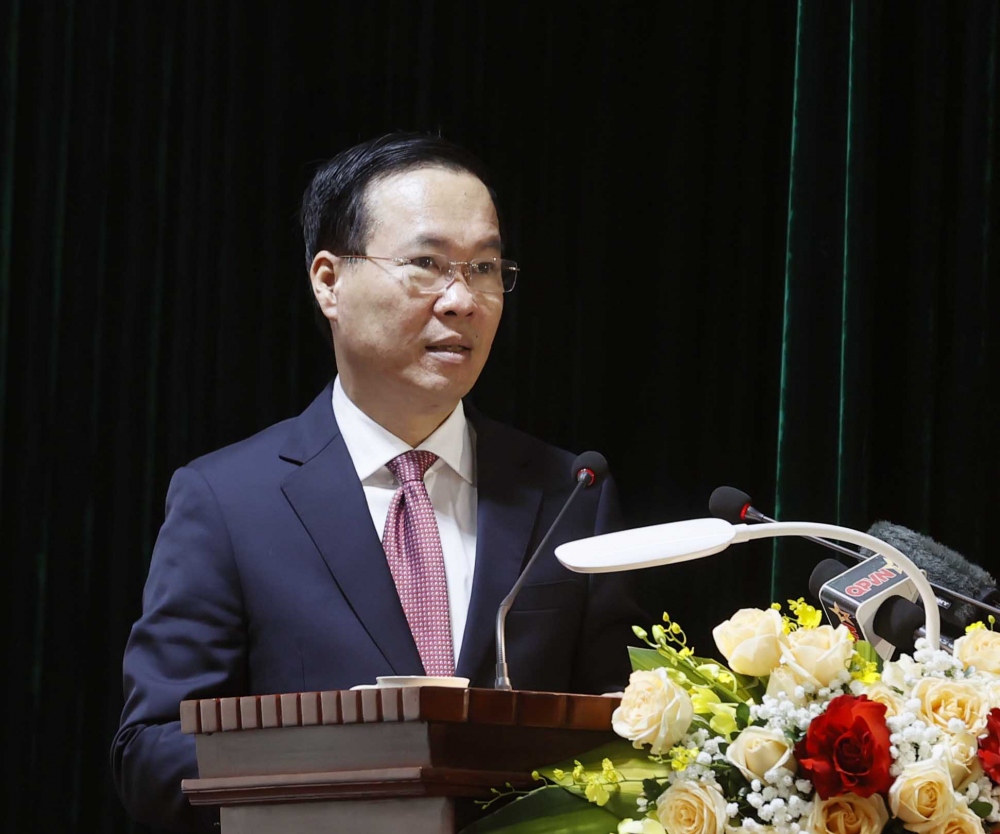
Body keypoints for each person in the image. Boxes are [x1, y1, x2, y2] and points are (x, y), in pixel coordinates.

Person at [111, 133, 641, 833]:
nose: (462, 300)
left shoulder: (571, 491)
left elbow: (633, 728)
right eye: (426, 264)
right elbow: (151, 755)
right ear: (328, 282)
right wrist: (351, 761)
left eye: (485, 267)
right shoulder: (228, 501)